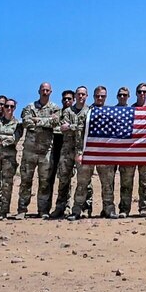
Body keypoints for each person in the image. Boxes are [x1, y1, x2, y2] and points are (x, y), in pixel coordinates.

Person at [16, 82, 59, 219]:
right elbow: (26, 122)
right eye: (43, 90)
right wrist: (45, 121)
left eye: (47, 90)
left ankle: (43, 210)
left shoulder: (55, 108)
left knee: (44, 182)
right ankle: (22, 210)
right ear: (38, 91)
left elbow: (55, 122)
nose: (45, 92)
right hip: (30, 150)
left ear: (51, 92)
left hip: (46, 151)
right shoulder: (30, 107)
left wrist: (37, 120)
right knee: (25, 181)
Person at [72, 86, 115, 219]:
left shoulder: (110, 112)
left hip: (104, 155)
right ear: (93, 96)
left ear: (106, 97)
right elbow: (79, 134)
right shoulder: (87, 112)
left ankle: (109, 210)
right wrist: (79, 153)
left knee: (107, 184)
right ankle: (77, 210)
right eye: (97, 96)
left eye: (102, 96)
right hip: (87, 154)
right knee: (82, 184)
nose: (100, 98)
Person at [51, 87, 89, 219]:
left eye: (83, 94)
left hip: (83, 151)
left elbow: (82, 129)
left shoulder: (89, 111)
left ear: (86, 96)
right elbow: (63, 128)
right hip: (66, 150)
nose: (81, 96)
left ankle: (80, 209)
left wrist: (72, 126)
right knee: (63, 180)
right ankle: (60, 207)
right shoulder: (67, 111)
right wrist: (78, 127)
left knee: (83, 182)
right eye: (79, 94)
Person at [118, 82, 146, 217]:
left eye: (144, 91)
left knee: (145, 182)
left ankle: (143, 208)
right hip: (130, 152)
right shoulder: (129, 110)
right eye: (139, 92)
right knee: (126, 182)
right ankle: (124, 209)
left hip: (145, 152)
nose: (142, 94)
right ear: (136, 93)